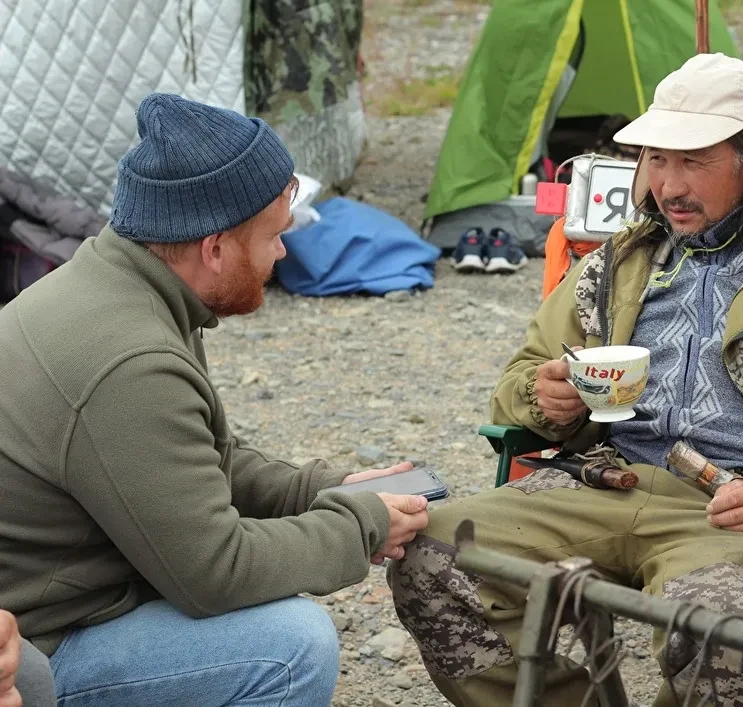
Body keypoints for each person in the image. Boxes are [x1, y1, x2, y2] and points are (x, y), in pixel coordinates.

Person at [389, 53, 743, 707]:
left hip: (732, 511)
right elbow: (519, 379)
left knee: (737, 634)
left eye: (693, 161)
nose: (670, 185)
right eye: (657, 159)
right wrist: (545, 398)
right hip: (599, 482)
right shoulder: (617, 262)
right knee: (429, 553)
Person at [0, 93, 429, 706]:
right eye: (273, 236)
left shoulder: (120, 283)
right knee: (291, 645)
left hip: (48, 600)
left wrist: (323, 489)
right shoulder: (130, 362)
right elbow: (215, 573)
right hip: (34, 649)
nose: (282, 253)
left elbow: (192, 463)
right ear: (215, 247)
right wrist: (363, 525)